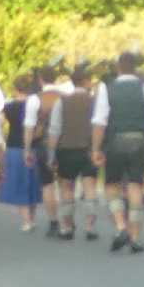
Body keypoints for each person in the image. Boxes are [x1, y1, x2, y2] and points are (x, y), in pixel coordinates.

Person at [90, 49, 144, 253]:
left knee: (112, 185)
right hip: (140, 141)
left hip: (115, 141)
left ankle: (121, 226)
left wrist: (96, 148)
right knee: (136, 186)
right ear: (135, 68)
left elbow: (99, 121)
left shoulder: (107, 89)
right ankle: (135, 237)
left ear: (118, 68)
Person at [42, 64, 98, 240]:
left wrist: (51, 155)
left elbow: (55, 130)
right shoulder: (94, 102)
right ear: (86, 82)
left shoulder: (62, 102)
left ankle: (66, 226)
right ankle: (89, 226)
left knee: (66, 187)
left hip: (66, 150)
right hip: (88, 148)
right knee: (90, 186)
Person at [0, 71, 44, 231]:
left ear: (15, 89)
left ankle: (26, 221)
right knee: (32, 183)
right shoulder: (35, 103)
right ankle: (32, 217)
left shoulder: (8, 106)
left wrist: (2, 138)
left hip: (14, 146)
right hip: (33, 146)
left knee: (19, 184)